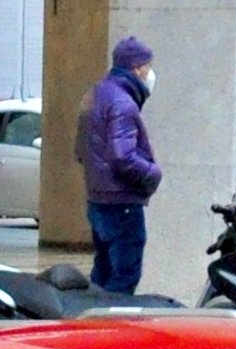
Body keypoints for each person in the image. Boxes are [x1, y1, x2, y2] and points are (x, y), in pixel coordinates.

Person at [77, 37, 161, 295]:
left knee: (102, 273)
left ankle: (92, 325)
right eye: (148, 66)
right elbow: (122, 156)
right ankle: (111, 326)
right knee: (123, 278)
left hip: (98, 199)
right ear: (137, 68)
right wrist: (152, 173)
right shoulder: (123, 103)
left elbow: (80, 150)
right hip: (121, 203)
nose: (151, 73)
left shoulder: (96, 94)